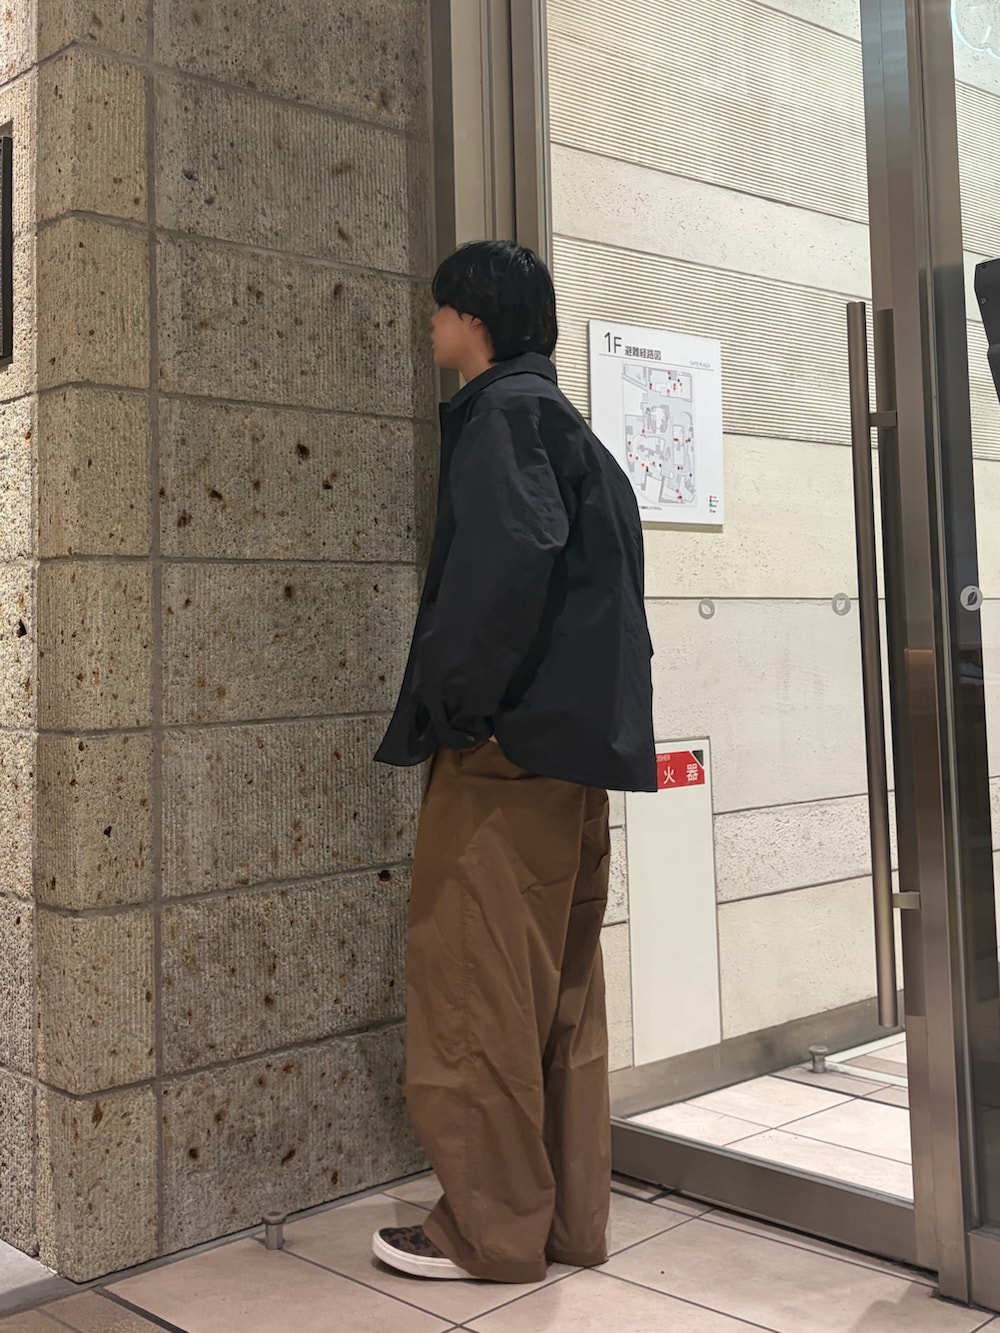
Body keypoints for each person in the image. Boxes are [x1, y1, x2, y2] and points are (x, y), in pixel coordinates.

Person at [371, 240, 656, 1284]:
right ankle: (568, 1221)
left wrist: (459, 713)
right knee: (561, 995)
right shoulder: (568, 426)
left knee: (474, 988)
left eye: (439, 309)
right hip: (573, 757)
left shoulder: (500, 417)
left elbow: (501, 572)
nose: (431, 325)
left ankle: (487, 1232)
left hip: (506, 753)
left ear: (473, 321)